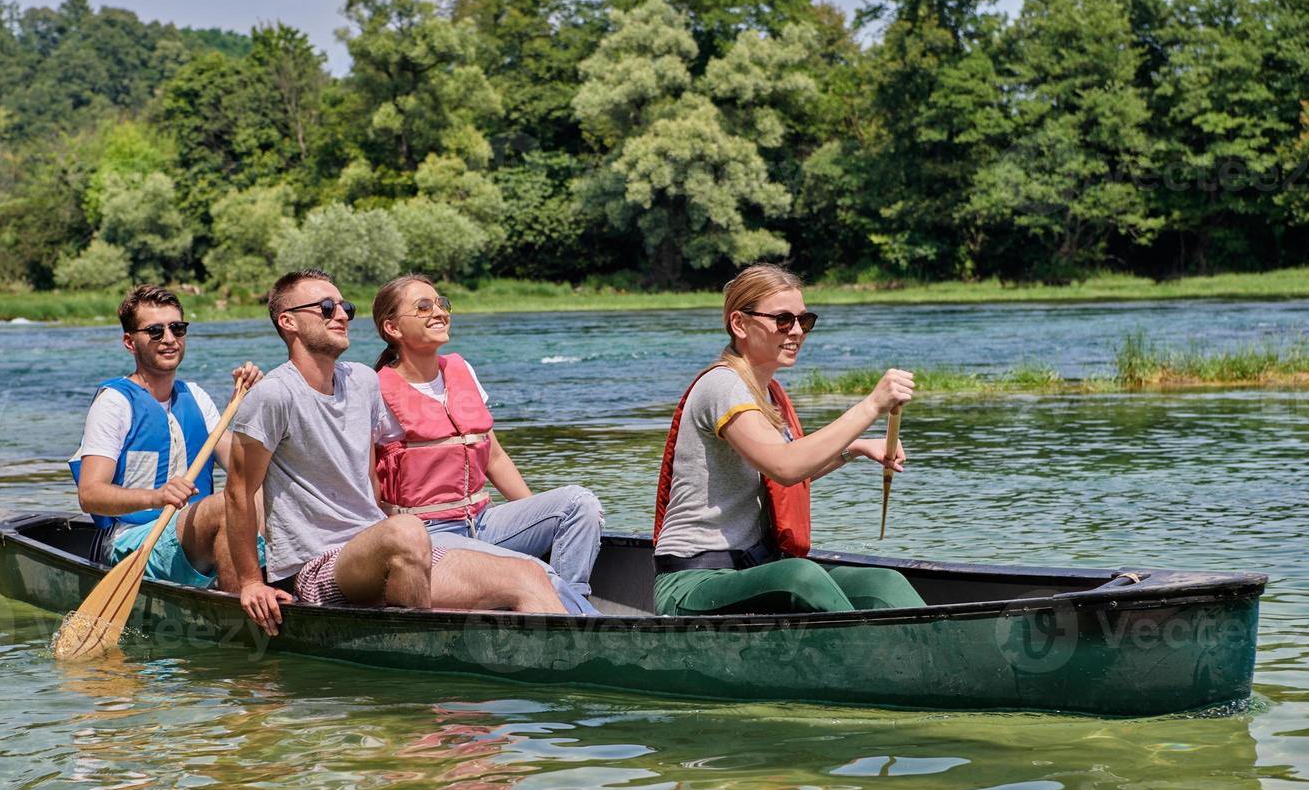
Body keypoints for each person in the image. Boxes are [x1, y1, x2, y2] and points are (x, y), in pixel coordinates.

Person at [225, 269, 574, 636]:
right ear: (288, 321)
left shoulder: (362, 381)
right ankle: (419, 660)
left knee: (529, 575)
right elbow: (238, 491)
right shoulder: (274, 395)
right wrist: (250, 581)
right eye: (326, 308)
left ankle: (573, 670)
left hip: (382, 548)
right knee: (407, 530)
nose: (342, 315)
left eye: (346, 306)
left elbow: (373, 472)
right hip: (318, 566)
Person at [651, 264, 927, 616]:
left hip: (751, 571)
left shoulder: (769, 394)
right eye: (783, 320)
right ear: (740, 324)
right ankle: (869, 656)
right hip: (693, 583)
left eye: (804, 320)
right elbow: (784, 466)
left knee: (882, 583)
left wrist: (854, 449)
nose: (797, 331)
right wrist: (871, 405)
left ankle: (946, 659)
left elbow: (785, 474)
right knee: (800, 576)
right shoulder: (722, 386)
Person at [370, 275, 604, 601]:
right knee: (537, 572)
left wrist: (534, 520)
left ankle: (569, 605)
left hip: (484, 521)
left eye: (441, 303)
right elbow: (370, 488)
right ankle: (579, 619)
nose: (439, 312)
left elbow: (494, 457)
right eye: (423, 307)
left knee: (579, 504)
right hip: (429, 535)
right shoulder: (375, 392)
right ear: (392, 328)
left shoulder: (461, 369)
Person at [69, 284, 263, 590]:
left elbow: (246, 470)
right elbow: (90, 494)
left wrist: (250, 403)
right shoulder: (115, 402)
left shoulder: (196, 396)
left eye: (177, 328)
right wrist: (156, 496)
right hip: (130, 542)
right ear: (130, 342)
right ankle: (239, 615)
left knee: (264, 495)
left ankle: (258, 592)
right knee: (225, 505)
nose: (169, 339)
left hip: (193, 535)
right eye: (155, 331)